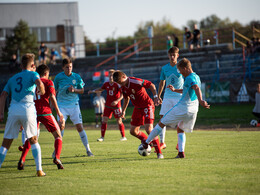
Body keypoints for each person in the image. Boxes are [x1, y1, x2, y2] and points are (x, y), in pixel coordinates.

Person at [142, 58, 210, 158]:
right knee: (180, 129)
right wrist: (175, 90)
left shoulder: (189, 78)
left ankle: (146, 143)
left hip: (184, 107)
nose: (180, 73)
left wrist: (201, 100)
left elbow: (196, 87)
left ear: (185, 68)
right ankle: (181, 153)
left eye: (180, 70)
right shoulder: (196, 76)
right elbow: (187, 89)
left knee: (161, 122)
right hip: (194, 110)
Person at [0, 53, 46, 176]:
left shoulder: (12, 78)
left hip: (13, 109)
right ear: (32, 65)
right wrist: (41, 90)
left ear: (20, 65)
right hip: (27, 108)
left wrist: (1, 114)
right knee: (33, 139)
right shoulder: (33, 74)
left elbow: (3, 95)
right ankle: (39, 170)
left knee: (6, 143)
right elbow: (39, 83)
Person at [18, 64, 64, 170]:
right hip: (45, 112)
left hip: (32, 112)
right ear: (46, 74)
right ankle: (57, 157)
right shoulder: (48, 82)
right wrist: (58, 112)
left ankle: (22, 159)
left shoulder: (32, 82)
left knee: (32, 138)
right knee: (58, 136)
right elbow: (52, 97)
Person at [113, 70, 163, 159]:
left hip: (148, 106)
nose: (120, 84)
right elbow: (126, 99)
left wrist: (155, 97)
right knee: (133, 131)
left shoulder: (135, 81)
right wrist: (123, 110)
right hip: (137, 108)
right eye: (118, 83)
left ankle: (159, 153)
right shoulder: (123, 87)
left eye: (120, 82)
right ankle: (148, 142)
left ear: (124, 77)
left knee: (149, 129)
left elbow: (151, 85)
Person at [54, 58, 94, 156]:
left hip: (74, 105)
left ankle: (88, 150)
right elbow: (53, 92)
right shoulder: (58, 77)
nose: (69, 69)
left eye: (70, 67)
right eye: (67, 67)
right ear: (63, 67)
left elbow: (82, 90)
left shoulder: (77, 77)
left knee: (80, 127)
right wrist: (53, 105)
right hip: (62, 106)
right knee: (60, 127)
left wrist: (74, 90)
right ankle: (56, 152)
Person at [88, 69, 127, 142]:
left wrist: (117, 101)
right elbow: (100, 89)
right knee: (104, 120)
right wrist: (93, 91)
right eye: (109, 75)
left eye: (112, 75)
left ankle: (123, 136)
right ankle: (102, 137)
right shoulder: (106, 84)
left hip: (116, 106)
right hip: (108, 106)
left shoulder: (117, 84)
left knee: (119, 121)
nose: (110, 77)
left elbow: (122, 95)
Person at [157, 47, 184, 151]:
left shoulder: (182, 67)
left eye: (174, 55)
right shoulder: (165, 68)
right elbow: (162, 82)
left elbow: (188, 80)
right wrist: (158, 95)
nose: (172, 57)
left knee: (180, 120)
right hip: (167, 96)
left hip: (179, 97)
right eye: (170, 55)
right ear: (168, 56)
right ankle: (162, 142)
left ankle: (179, 143)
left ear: (178, 55)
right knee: (162, 118)